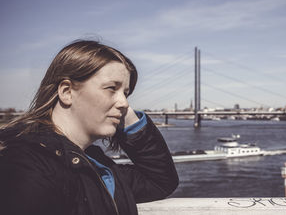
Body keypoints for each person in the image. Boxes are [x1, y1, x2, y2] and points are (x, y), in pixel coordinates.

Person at [0, 40, 179, 215]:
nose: (125, 103)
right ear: (67, 92)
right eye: (111, 88)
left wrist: (130, 120)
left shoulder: (96, 167)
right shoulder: (27, 166)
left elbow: (160, 181)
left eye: (125, 93)